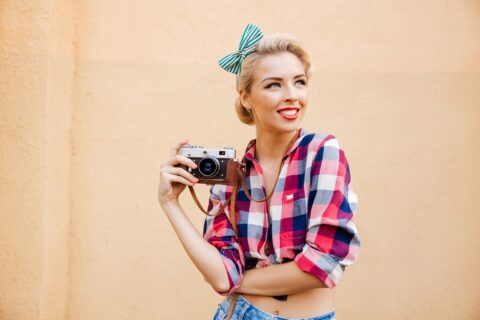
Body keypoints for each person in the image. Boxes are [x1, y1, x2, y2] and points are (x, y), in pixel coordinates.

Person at [158, 23, 361, 320]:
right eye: (273, 84)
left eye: (300, 82)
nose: (292, 95)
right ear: (246, 97)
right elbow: (218, 274)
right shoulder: (230, 179)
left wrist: (235, 282)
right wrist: (170, 203)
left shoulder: (322, 151)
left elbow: (323, 266)